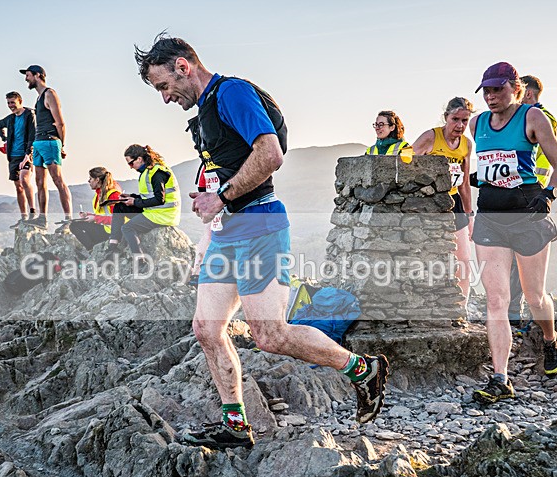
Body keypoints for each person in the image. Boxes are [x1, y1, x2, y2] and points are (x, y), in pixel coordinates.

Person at [134, 33, 388, 449]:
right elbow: (225, 173)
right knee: (206, 329)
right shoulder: (206, 111)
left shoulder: (232, 92)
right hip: (226, 233)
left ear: (183, 66)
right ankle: (235, 425)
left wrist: (221, 196)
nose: (165, 98)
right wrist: (209, 215)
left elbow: (270, 154)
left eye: (164, 86)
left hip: (259, 226)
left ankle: (363, 369)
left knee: (270, 336)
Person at [468, 62, 557, 405]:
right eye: (487, 91)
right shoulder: (477, 123)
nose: (491, 96)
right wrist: (481, 178)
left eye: (498, 89)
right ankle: (500, 378)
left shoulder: (532, 118)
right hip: (491, 217)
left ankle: (550, 340)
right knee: (496, 300)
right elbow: (490, 163)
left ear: (516, 89)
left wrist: (549, 194)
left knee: (534, 296)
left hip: (528, 215)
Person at [507, 75, 557, 329]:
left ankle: (516, 316)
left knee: (522, 258)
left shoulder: (539, 118)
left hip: (531, 196)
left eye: (519, 89)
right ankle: (513, 314)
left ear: (528, 92)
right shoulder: (526, 117)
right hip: (522, 194)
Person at [412, 97, 475, 304]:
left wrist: (470, 216)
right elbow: (405, 166)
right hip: (430, 203)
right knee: (429, 259)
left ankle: (461, 307)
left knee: (463, 259)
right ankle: (428, 304)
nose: (460, 125)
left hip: (454, 202)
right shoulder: (430, 137)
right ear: (446, 117)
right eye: (455, 119)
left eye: (464, 120)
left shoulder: (466, 144)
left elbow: (465, 183)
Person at [103, 144, 181, 263]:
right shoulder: (148, 172)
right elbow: (149, 196)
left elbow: (159, 199)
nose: (131, 167)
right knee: (119, 207)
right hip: (153, 211)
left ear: (139, 159)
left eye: (131, 163)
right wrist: (131, 197)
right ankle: (113, 246)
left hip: (163, 215)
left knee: (127, 228)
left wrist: (135, 202)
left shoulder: (157, 173)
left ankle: (140, 260)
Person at [20, 65, 73, 229]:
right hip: (38, 142)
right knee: (39, 182)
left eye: (28, 75)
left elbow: (60, 122)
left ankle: (68, 220)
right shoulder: (38, 98)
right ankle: (42, 219)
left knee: (57, 179)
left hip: (50, 141)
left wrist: (61, 144)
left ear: (37, 75)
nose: (26, 79)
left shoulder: (50, 94)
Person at [0, 91, 36, 227]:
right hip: (13, 155)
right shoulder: (10, 119)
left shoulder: (30, 114)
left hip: (27, 153)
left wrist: (28, 154)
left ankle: (33, 212)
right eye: (8, 103)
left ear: (20, 101)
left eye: (13, 102)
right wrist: (4, 139)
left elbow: (33, 134)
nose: (10, 105)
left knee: (24, 179)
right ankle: (24, 217)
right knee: (18, 187)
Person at [69, 167, 123, 251]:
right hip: (107, 229)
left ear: (97, 180)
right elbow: (103, 214)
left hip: (114, 234)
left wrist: (95, 218)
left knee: (75, 226)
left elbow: (119, 220)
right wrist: (88, 215)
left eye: (90, 178)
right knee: (75, 225)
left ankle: (93, 250)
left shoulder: (113, 195)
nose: (88, 181)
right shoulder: (99, 194)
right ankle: (93, 250)